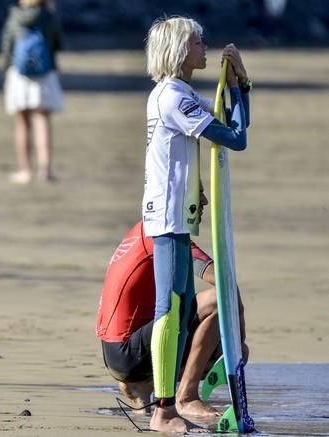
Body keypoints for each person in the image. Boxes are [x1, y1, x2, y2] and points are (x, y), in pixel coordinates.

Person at [141, 16, 251, 432]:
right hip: (168, 218)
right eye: (196, 41)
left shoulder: (175, 93)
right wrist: (239, 88)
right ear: (178, 51)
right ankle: (163, 410)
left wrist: (239, 82)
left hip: (175, 217)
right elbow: (235, 138)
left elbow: (228, 123)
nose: (203, 46)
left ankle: (175, 401)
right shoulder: (174, 98)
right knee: (169, 310)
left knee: (183, 306)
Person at [97, 187, 249, 419]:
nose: (205, 201)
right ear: (178, 201)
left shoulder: (144, 229)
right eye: (198, 194)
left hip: (114, 353)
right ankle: (186, 396)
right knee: (220, 305)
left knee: (186, 309)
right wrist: (240, 340)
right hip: (128, 351)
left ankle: (141, 383)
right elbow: (225, 285)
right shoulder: (165, 234)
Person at [1, 0, 63, 184]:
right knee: (42, 118)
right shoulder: (48, 17)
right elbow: (58, 43)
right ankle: (45, 169)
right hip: (44, 72)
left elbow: (7, 46)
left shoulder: (14, 16)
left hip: (18, 73)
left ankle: (25, 170)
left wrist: (5, 70)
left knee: (21, 122)